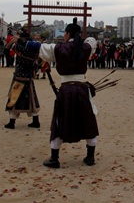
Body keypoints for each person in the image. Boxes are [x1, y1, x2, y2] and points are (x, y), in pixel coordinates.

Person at [39, 18, 98, 168]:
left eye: (65, 33)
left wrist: (21, 42)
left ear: (67, 34)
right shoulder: (85, 48)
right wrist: (80, 40)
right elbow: (92, 41)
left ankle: (54, 158)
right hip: (82, 89)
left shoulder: (59, 48)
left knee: (59, 122)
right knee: (88, 120)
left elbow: (39, 48)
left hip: (66, 90)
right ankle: (90, 157)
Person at [4, 30, 41, 129]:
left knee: (14, 99)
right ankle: (35, 121)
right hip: (28, 77)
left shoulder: (20, 48)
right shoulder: (34, 50)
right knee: (32, 101)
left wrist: (14, 40)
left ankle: (12, 122)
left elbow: (7, 48)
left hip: (20, 76)